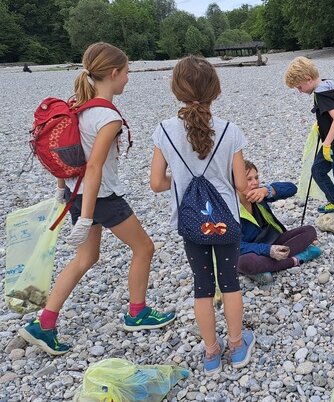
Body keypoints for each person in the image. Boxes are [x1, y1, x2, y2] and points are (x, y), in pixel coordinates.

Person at [19, 42, 175, 356]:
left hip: (78, 193)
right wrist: (88, 216)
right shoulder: (107, 117)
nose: (128, 79)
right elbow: (94, 166)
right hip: (100, 197)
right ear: (114, 73)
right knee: (144, 247)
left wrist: (63, 190)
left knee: (86, 258)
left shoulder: (77, 104)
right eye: (127, 73)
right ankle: (137, 312)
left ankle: (44, 323)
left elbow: (63, 152)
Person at [149, 55, 254, 373]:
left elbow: (156, 183)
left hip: (190, 222)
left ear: (176, 90)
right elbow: (240, 183)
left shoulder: (164, 132)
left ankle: (211, 353)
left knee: (202, 285)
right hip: (225, 222)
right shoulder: (230, 131)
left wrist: (181, 181)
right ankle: (236, 346)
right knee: (230, 281)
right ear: (215, 90)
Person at [284, 56, 334, 242]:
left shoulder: (321, 94)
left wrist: (326, 143)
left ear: (309, 79)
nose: (299, 91)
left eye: (299, 87)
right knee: (317, 170)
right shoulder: (328, 84)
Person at [236, 161, 322, 284]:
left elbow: (292, 188)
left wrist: (267, 190)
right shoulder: (230, 208)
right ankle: (297, 259)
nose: (255, 182)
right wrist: (267, 250)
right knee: (246, 263)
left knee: (309, 231)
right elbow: (237, 247)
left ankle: (265, 268)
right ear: (236, 182)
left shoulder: (259, 194)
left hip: (273, 241)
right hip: (250, 251)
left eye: (256, 177)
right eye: (249, 179)